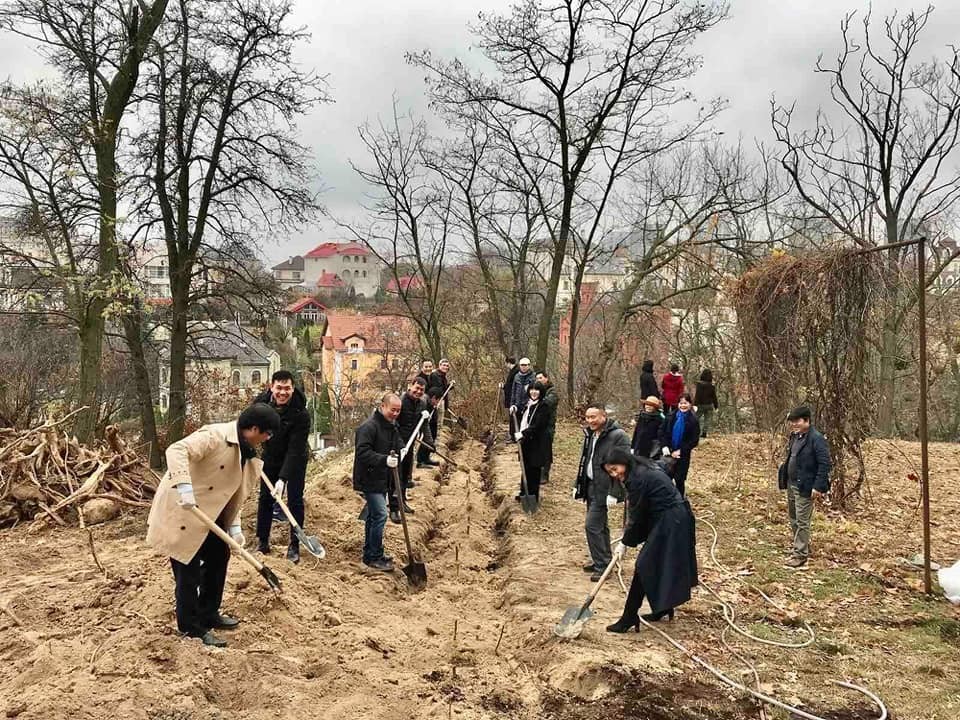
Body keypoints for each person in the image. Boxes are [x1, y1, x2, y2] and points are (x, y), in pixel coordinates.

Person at [146, 403, 281, 647]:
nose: (267, 439)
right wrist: (184, 486)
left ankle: (208, 613)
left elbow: (229, 492)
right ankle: (191, 628)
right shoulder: (214, 436)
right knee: (188, 573)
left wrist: (235, 527)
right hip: (183, 510)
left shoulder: (245, 453)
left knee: (219, 556)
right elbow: (176, 450)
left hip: (209, 515)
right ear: (253, 429)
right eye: (267, 433)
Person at [603, 449, 698, 632]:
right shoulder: (640, 467)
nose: (615, 475)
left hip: (672, 520)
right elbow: (665, 465)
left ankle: (629, 617)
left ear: (624, 462)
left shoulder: (638, 477)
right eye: (610, 472)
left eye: (615, 469)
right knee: (659, 562)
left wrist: (625, 543)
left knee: (644, 565)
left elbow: (637, 516)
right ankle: (663, 608)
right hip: (668, 517)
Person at [254, 370, 311, 564]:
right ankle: (262, 541)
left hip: (295, 458)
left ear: (292, 389)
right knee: (265, 498)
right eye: (279, 388)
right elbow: (248, 427)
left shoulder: (300, 413)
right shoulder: (260, 405)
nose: (283, 393)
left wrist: (283, 478)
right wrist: (249, 452)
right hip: (270, 456)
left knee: (295, 500)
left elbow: (295, 449)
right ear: (272, 387)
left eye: (287, 388)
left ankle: (294, 544)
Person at [574, 404, 631, 581]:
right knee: (600, 526)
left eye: (594, 417)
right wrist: (579, 483)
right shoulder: (591, 433)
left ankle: (602, 566)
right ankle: (602, 559)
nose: (590, 420)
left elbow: (623, 465)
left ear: (603, 416)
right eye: (587, 417)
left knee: (591, 525)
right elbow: (586, 459)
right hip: (591, 484)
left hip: (604, 487)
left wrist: (614, 492)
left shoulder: (617, 436)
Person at [353, 393, 403, 572]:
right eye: (392, 410)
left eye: (398, 411)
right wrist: (384, 460)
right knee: (381, 515)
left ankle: (371, 553)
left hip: (382, 479)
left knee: (374, 516)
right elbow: (362, 453)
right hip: (369, 479)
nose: (395, 414)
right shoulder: (368, 427)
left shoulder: (391, 427)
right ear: (383, 407)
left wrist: (401, 449)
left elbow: (396, 442)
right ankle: (374, 557)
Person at [778, 406, 831, 568]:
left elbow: (825, 464)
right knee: (794, 518)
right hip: (792, 483)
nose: (794, 424)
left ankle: (800, 555)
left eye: (797, 421)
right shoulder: (795, 436)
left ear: (807, 420)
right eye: (792, 421)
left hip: (806, 486)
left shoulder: (817, 439)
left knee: (802, 521)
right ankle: (801, 546)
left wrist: (818, 486)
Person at [393, 378, 433, 523]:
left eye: (421, 390)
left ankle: (402, 501)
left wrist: (429, 441)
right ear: (410, 386)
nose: (418, 392)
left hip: (409, 443)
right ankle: (394, 508)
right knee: (395, 475)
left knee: (405, 474)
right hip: (396, 443)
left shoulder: (422, 403)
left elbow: (424, 424)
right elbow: (393, 424)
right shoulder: (401, 401)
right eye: (416, 388)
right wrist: (399, 443)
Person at [514, 382, 550, 500]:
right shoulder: (528, 404)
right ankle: (523, 493)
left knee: (534, 470)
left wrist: (522, 433)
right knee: (525, 467)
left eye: (537, 390)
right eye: (532, 390)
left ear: (541, 392)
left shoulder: (543, 406)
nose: (534, 392)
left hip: (537, 443)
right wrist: (515, 408)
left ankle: (533, 496)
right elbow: (523, 418)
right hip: (526, 441)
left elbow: (538, 426)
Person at [659, 394, 700, 497]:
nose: (683, 406)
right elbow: (661, 431)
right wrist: (664, 446)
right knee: (665, 479)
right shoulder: (670, 416)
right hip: (668, 453)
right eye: (681, 403)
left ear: (690, 404)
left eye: (685, 403)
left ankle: (680, 502)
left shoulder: (693, 420)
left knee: (679, 480)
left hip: (683, 455)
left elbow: (694, 440)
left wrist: (681, 451)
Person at [535, 370, 558, 483]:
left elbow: (547, 403)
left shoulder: (552, 391)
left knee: (546, 451)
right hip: (538, 425)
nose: (538, 380)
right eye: (537, 378)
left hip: (548, 426)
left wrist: (538, 400)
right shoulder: (538, 391)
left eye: (540, 378)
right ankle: (538, 473)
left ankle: (545, 474)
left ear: (546, 378)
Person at [415, 360, 437, 466]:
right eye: (426, 366)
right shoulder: (419, 378)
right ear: (422, 367)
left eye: (430, 366)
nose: (428, 368)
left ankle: (426, 457)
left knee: (432, 432)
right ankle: (420, 459)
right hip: (423, 408)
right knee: (423, 434)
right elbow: (422, 396)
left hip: (431, 407)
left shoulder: (432, 377)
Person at [417, 387, 444, 469]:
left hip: (430, 424)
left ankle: (426, 458)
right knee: (425, 439)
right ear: (433, 397)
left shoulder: (431, 404)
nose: (438, 402)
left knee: (432, 435)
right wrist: (430, 443)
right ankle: (420, 461)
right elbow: (424, 426)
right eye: (438, 400)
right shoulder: (424, 403)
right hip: (424, 426)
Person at [508, 358, 535, 429]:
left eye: (525, 365)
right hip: (517, 404)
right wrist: (512, 404)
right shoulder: (517, 376)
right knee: (515, 425)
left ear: (529, 366)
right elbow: (513, 391)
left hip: (528, 405)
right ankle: (514, 438)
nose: (523, 367)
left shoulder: (533, 377)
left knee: (525, 426)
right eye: (522, 365)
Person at [693, 369, 719, 438]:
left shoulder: (699, 385)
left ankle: (694, 432)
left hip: (701, 404)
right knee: (707, 419)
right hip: (709, 405)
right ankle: (704, 433)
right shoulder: (712, 386)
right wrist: (716, 406)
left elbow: (697, 395)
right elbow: (714, 397)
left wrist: (695, 404)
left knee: (696, 418)